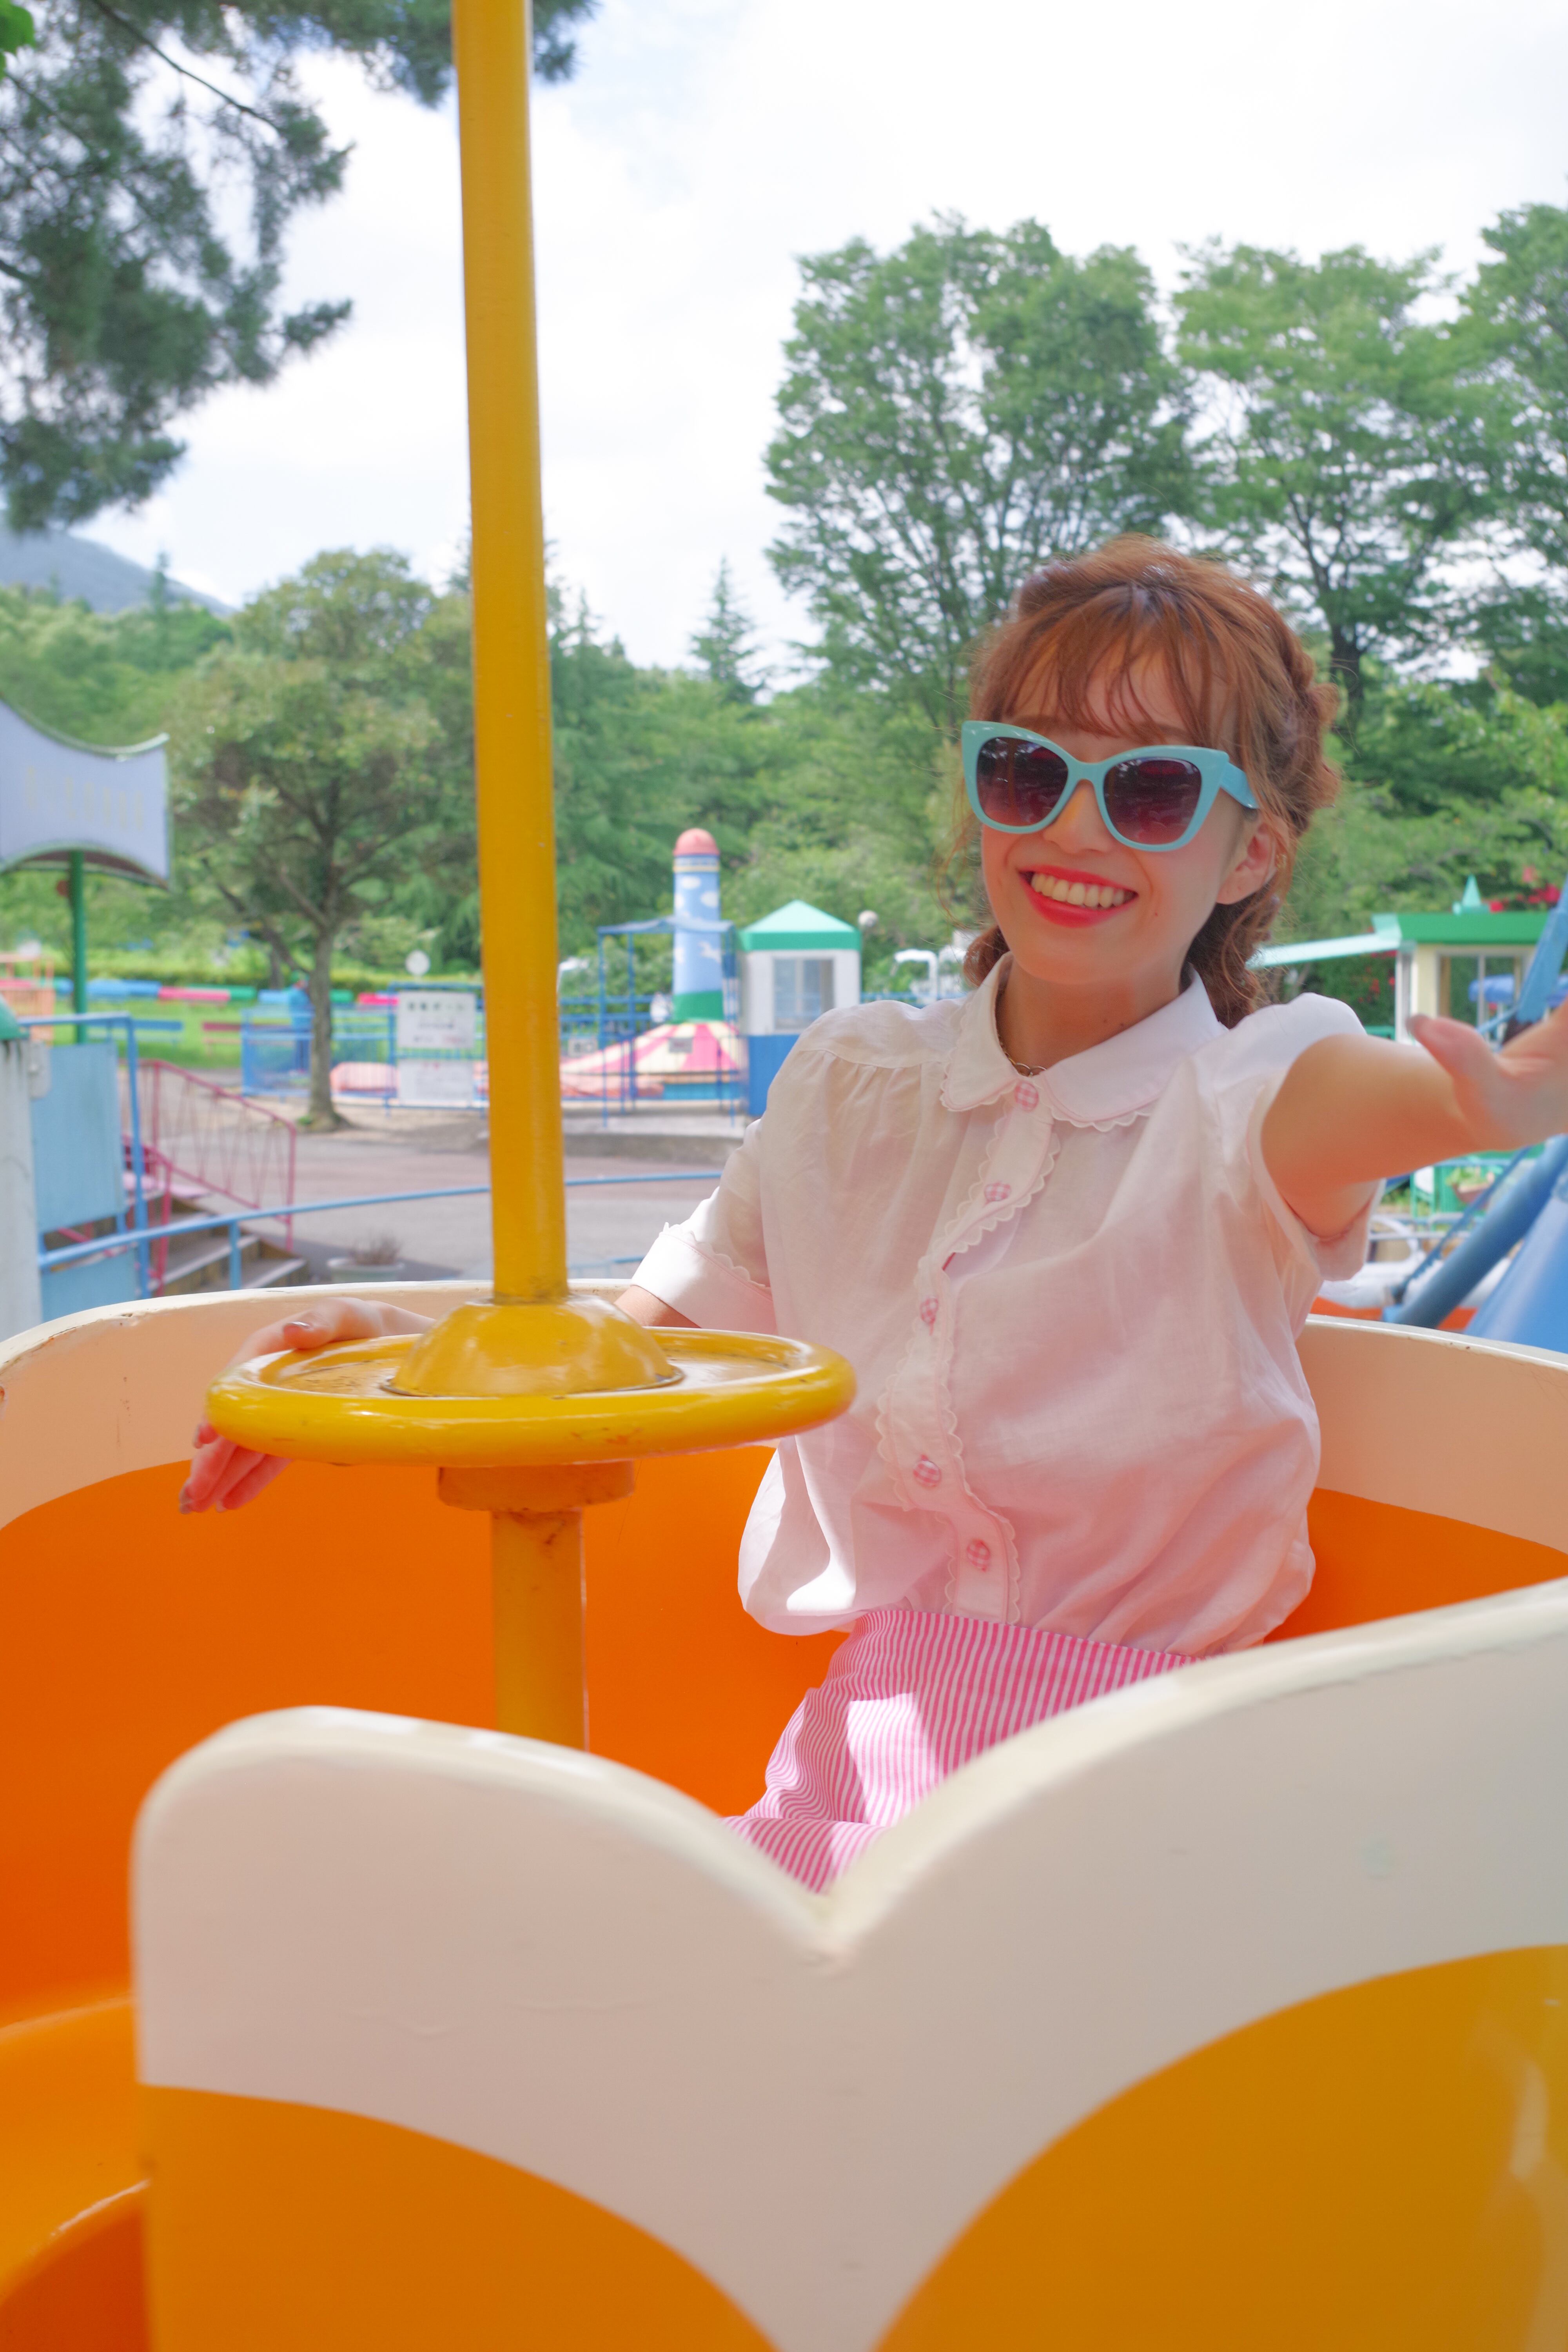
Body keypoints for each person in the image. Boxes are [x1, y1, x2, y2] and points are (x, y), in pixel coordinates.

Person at [182, 539, 1568, 1892]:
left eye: (1150, 790)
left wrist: (1500, 1106)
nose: (1073, 828)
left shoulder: (1256, 1099)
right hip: (870, 1765)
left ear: (1252, 849)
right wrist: (417, 1347)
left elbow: (1402, 1103)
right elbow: (633, 1353)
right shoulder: (854, 1088)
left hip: (1149, 1803)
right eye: (1027, 771)